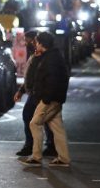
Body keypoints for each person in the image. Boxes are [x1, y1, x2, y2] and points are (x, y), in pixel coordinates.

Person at [19, 31, 70, 168]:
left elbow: (52, 81)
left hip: (50, 99)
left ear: (42, 43)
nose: (35, 44)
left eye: (37, 42)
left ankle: (36, 156)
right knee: (57, 128)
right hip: (55, 98)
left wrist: (46, 99)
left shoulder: (51, 59)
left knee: (34, 123)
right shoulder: (51, 56)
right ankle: (64, 158)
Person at [14, 31, 55, 157]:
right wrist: (21, 90)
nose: (26, 43)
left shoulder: (44, 56)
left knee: (44, 120)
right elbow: (29, 76)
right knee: (31, 117)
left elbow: (40, 76)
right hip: (34, 92)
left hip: (40, 93)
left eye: (28, 41)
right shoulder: (35, 54)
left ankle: (43, 147)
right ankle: (36, 146)